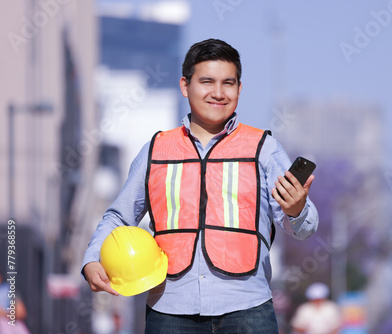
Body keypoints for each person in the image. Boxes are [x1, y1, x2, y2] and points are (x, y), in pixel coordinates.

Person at [82, 38, 319, 333]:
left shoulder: (264, 149)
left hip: (248, 310)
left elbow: (304, 227)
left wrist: (296, 210)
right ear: (185, 86)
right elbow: (118, 217)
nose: (218, 93)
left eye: (228, 83)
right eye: (207, 81)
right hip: (169, 311)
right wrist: (91, 259)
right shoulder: (156, 150)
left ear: (239, 89)